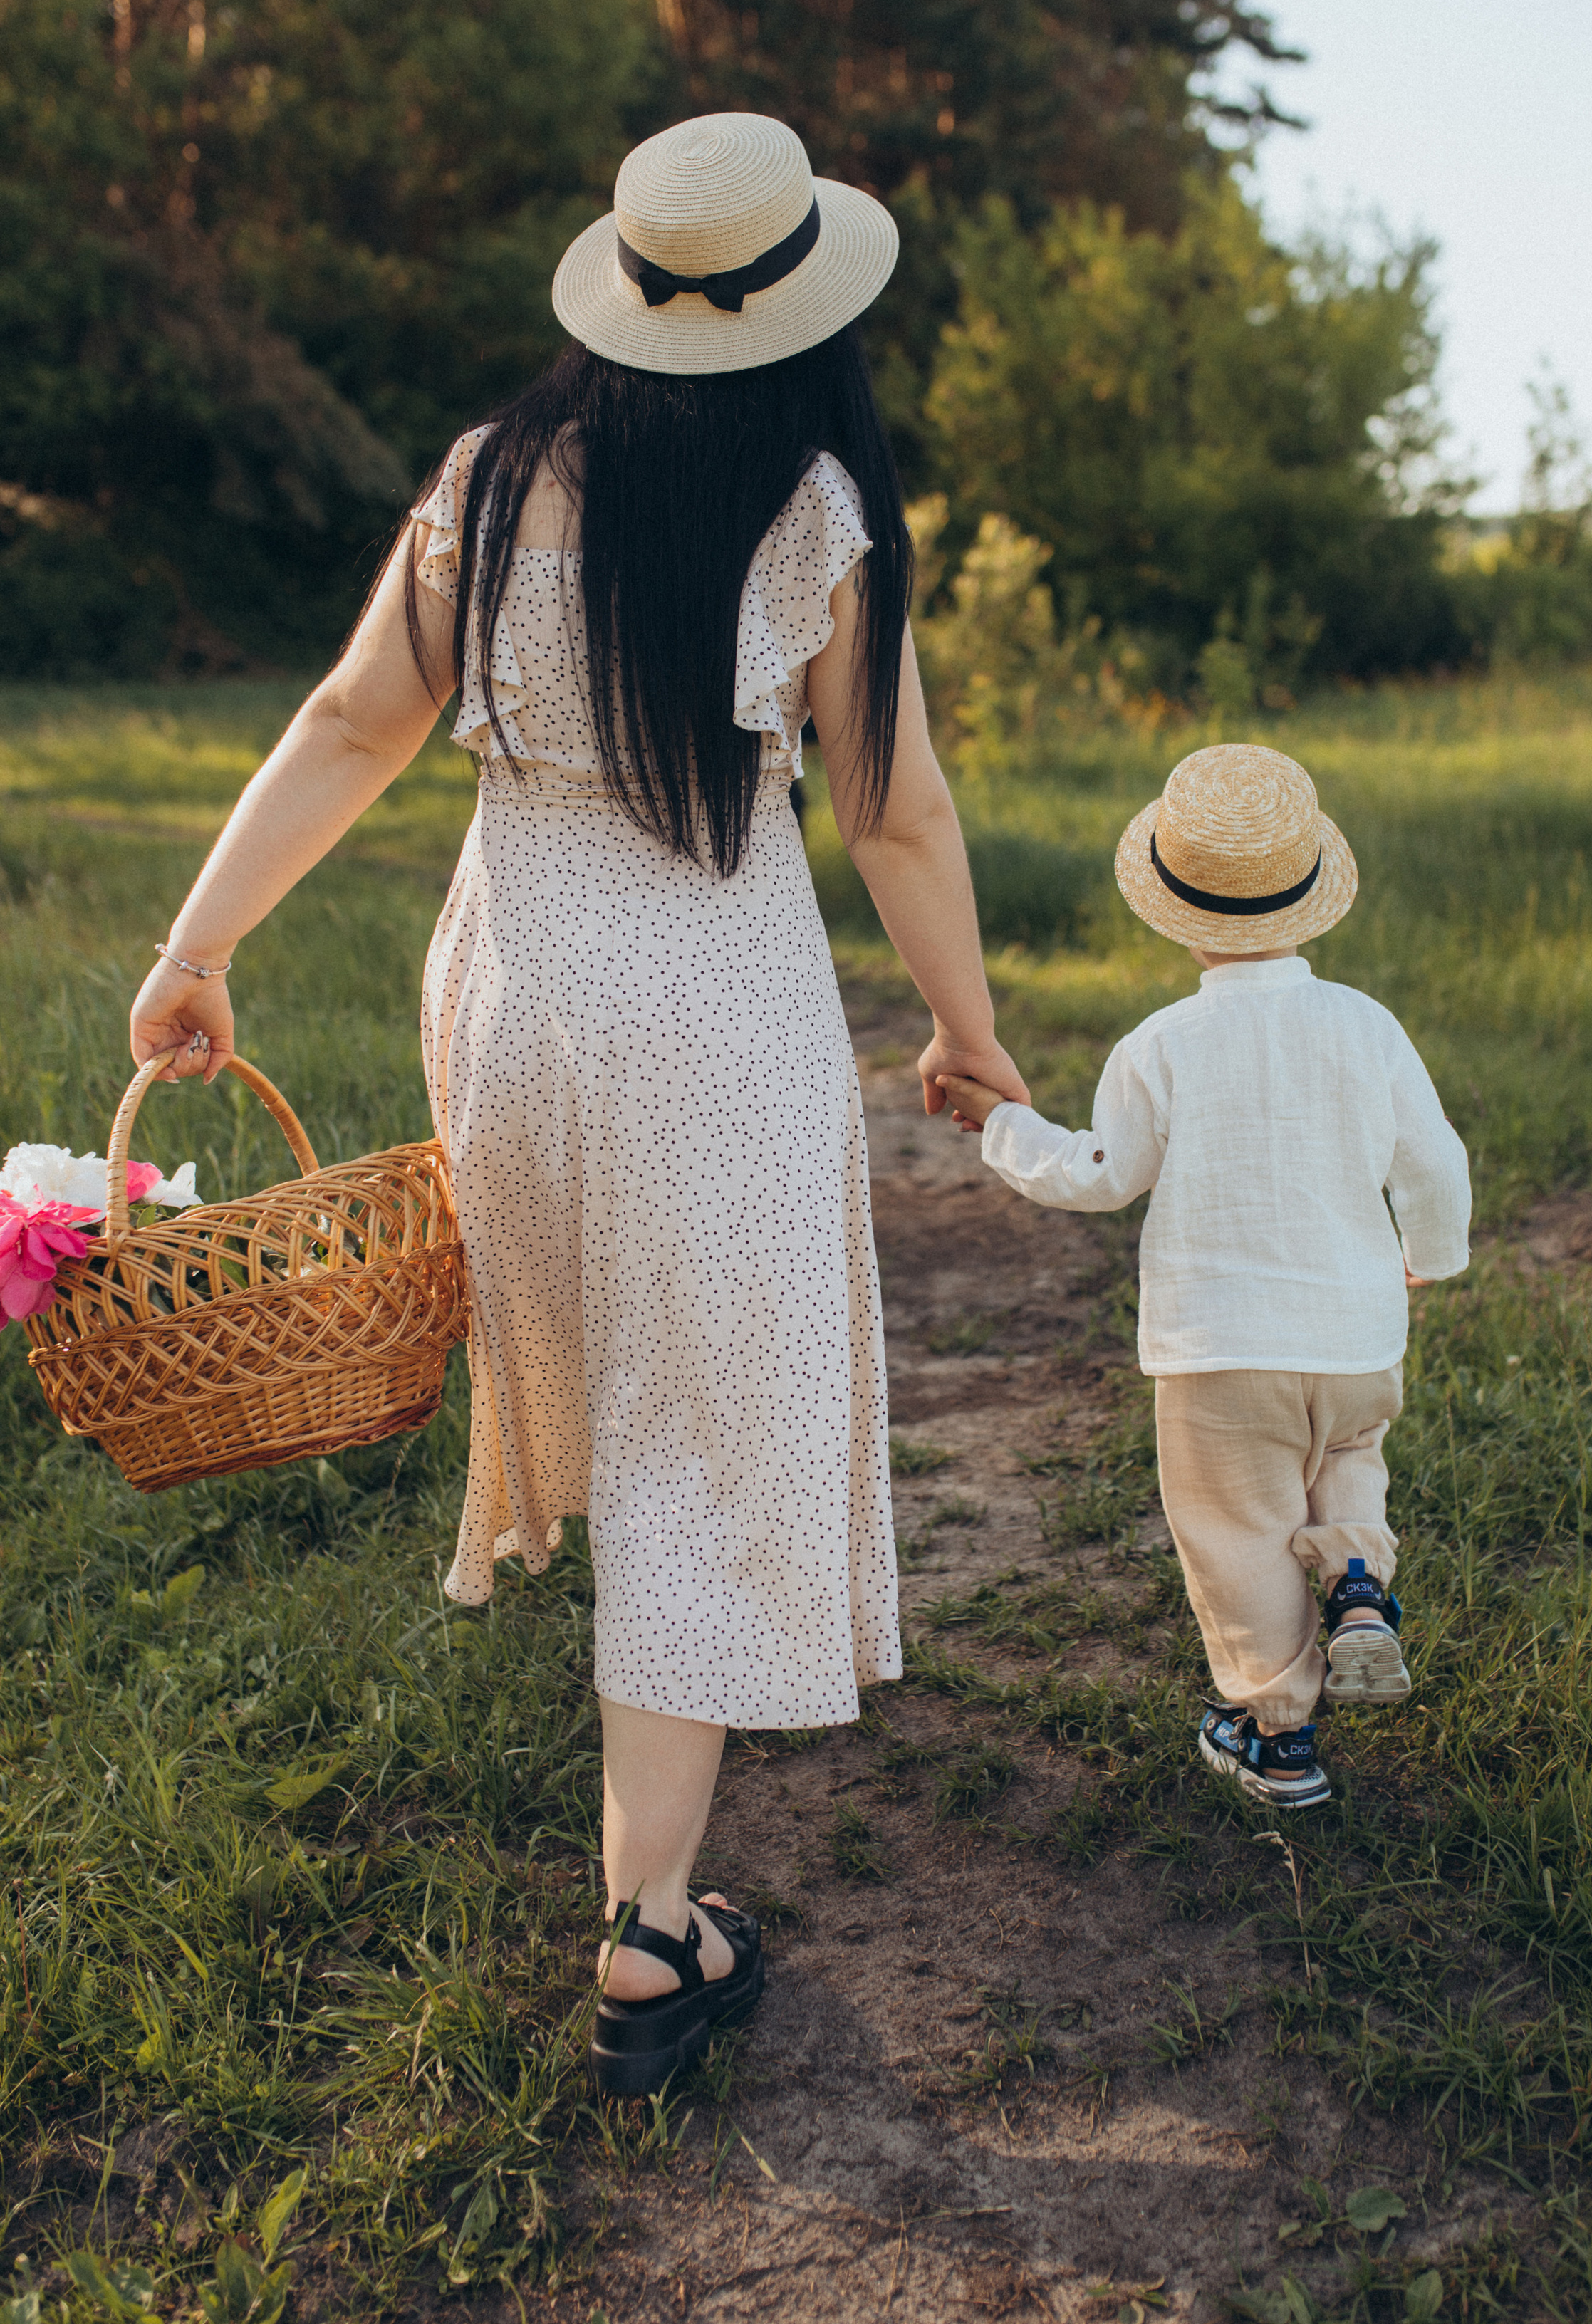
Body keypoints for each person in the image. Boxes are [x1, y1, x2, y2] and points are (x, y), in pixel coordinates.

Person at [128, 113, 1028, 2086]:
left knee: (630, 1392)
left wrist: (199, 943)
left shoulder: (488, 474)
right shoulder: (806, 509)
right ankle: (647, 1932)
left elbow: (355, 717)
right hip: (709, 1012)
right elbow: (895, 803)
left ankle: (658, 1852)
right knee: (706, 1431)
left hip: (514, 1004)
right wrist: (966, 1029)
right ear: (804, 309)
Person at [936, 743, 1470, 1810]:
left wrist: (1002, 1125)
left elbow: (1102, 1174)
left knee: (1238, 1533)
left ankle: (1277, 1732)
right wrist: (1427, 1258)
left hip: (1222, 1355)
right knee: (1352, 1453)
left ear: (1176, 915)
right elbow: (1436, 1161)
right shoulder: (1369, 1028)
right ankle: (1360, 1581)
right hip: (1357, 1338)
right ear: (1314, 897)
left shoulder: (1161, 1045)